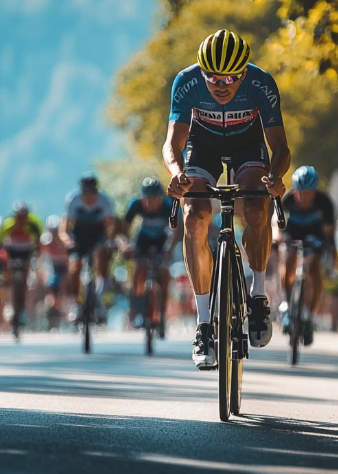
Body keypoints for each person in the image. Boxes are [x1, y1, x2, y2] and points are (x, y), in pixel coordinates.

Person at [162, 29, 290, 368]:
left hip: (248, 145)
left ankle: (258, 295)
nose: (221, 85)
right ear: (202, 72)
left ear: (244, 73)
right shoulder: (187, 83)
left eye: (230, 78)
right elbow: (172, 143)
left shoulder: (261, 84)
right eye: (213, 78)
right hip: (202, 147)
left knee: (257, 208)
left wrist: (276, 179)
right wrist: (176, 173)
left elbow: (280, 147)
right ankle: (205, 325)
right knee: (195, 217)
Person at [278, 166, 336, 347]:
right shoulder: (287, 200)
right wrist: (278, 240)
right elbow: (277, 226)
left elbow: (329, 234)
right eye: (300, 192)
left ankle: (309, 317)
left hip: (315, 237)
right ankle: (287, 303)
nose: (303, 197)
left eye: (308, 193)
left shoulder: (324, 202)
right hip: (292, 235)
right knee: (288, 259)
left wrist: (331, 251)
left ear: (314, 191)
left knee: (313, 268)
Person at [121, 177, 179, 330]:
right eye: (148, 198)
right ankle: (139, 309)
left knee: (164, 275)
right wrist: (126, 245)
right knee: (138, 272)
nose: (151, 202)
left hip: (162, 240)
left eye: (154, 198)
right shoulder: (136, 205)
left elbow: (175, 231)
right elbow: (124, 230)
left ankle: (162, 313)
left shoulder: (168, 206)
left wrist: (169, 248)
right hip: (143, 239)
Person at [61, 173, 116, 322]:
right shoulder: (73, 200)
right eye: (86, 193)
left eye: (92, 193)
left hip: (98, 234)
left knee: (102, 257)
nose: (89, 197)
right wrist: (68, 241)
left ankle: (100, 296)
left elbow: (110, 226)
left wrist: (109, 241)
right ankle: (75, 304)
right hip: (79, 236)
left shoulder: (105, 201)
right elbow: (65, 227)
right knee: (75, 266)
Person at [0, 202, 43, 334]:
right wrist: (2, 262)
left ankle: (21, 306)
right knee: (9, 272)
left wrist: (34, 258)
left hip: (26, 250)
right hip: (12, 250)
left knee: (26, 274)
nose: (21, 219)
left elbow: (38, 244)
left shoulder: (33, 225)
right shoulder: (8, 224)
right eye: (18, 216)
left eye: (24, 216)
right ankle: (10, 296)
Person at [39, 215, 69, 330]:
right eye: (51, 231)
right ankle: (53, 310)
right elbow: (40, 257)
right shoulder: (45, 241)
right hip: (52, 267)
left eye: (55, 231)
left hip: (64, 266)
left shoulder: (64, 239)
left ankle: (69, 307)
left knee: (67, 285)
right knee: (52, 289)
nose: (54, 234)